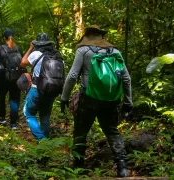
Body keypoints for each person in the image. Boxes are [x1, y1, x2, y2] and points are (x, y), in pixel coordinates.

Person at [60, 25, 133, 177]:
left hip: (89, 98)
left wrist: (64, 98)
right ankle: (122, 167)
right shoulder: (115, 51)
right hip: (111, 99)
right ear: (101, 36)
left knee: (81, 132)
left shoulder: (83, 51)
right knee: (112, 131)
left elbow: (73, 75)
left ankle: (78, 168)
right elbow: (126, 78)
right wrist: (128, 101)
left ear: (86, 36)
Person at [21, 32, 62, 140]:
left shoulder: (36, 54)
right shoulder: (57, 56)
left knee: (28, 113)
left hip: (36, 89)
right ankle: (46, 141)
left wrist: (30, 47)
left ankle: (41, 140)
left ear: (37, 44)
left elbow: (23, 62)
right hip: (51, 90)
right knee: (45, 116)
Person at [0, 29, 23, 129]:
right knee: (14, 99)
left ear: (4, 38)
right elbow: (22, 63)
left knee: (1, 97)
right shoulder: (18, 49)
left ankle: (2, 118)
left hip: (3, 77)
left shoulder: (1, 48)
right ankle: (13, 123)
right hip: (16, 77)